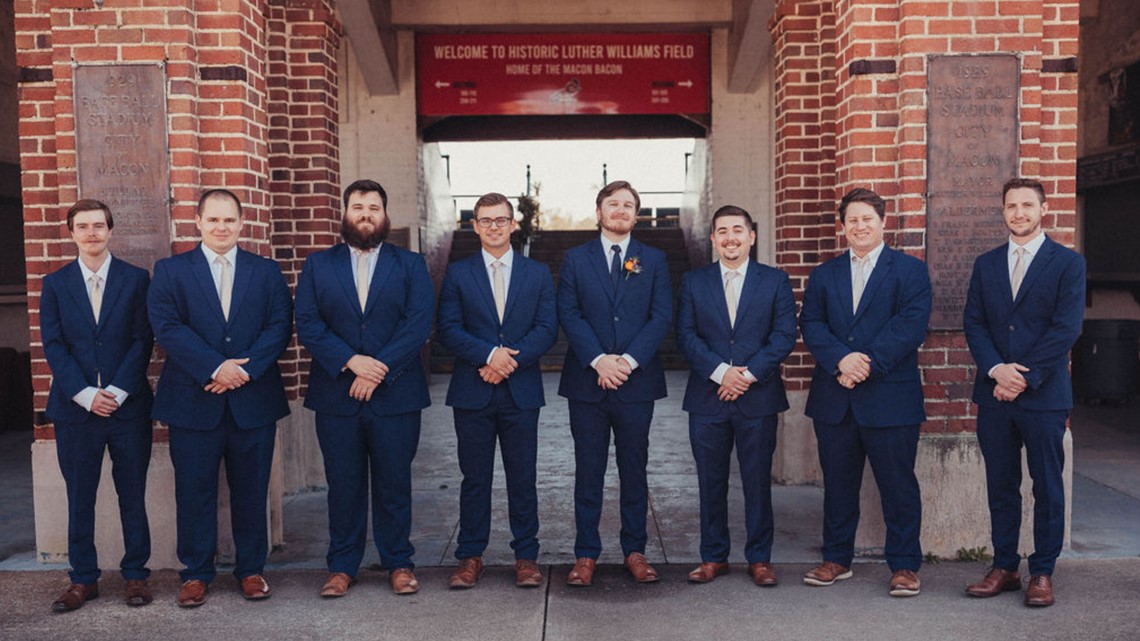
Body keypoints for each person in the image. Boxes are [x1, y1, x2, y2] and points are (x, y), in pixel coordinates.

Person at [148, 189, 293, 607]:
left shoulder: (265, 272)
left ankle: (251, 571)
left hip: (254, 401)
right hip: (193, 402)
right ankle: (195, 574)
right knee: (194, 492)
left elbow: (279, 326)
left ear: (241, 223)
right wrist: (216, 367)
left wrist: (242, 372)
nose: (221, 227)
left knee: (252, 490)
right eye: (213, 220)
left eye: (229, 220)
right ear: (197, 222)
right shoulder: (172, 271)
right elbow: (168, 328)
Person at [294, 179, 434, 598]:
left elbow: (418, 324)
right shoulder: (319, 265)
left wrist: (378, 370)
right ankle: (342, 566)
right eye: (358, 207)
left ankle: (399, 562)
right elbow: (309, 324)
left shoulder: (410, 264)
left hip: (396, 395)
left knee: (394, 483)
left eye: (374, 207)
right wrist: (351, 362)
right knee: (344, 484)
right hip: (337, 394)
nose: (366, 214)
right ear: (345, 213)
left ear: (385, 214)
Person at [799, 187, 932, 597]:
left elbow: (910, 326)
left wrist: (865, 364)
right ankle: (837, 559)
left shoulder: (909, 271)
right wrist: (842, 360)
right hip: (835, 397)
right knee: (838, 485)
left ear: (882, 222)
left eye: (867, 219)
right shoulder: (824, 274)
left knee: (898, 485)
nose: (860, 226)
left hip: (890, 397)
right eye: (852, 220)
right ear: (843, 227)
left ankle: (905, 566)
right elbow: (812, 324)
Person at [962, 177, 1085, 608]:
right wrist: (997, 370)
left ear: (1043, 209)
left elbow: (1065, 328)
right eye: (1011, 206)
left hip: (1044, 395)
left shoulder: (1067, 264)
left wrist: (1023, 378)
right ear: (1003, 211)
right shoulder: (986, 263)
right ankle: (1005, 566)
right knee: (1001, 483)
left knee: (1047, 485)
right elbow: (974, 323)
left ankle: (1044, 570)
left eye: (1027, 205)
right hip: (994, 394)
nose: (1019, 213)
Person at [436, 192, 558, 589]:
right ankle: (470, 556)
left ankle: (526, 557)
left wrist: (510, 362)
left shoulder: (536, 273)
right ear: (474, 226)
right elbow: (449, 328)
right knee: (475, 478)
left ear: (512, 224)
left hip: (520, 392)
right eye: (485, 220)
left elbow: (546, 328)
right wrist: (488, 356)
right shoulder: (458, 273)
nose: (493, 227)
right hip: (473, 390)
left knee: (522, 477)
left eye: (500, 220)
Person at [556, 180, 672, 586]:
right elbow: (569, 313)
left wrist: (627, 361)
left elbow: (660, 316)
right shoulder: (575, 259)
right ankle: (586, 553)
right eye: (613, 204)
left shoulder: (653, 259)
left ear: (636, 215)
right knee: (588, 470)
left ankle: (634, 550)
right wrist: (599, 361)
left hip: (637, 383)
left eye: (628, 205)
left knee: (634, 469)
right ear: (599, 212)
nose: (620, 210)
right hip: (587, 383)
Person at [41, 200, 155, 612]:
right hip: (75, 411)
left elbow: (144, 339)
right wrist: (87, 394)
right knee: (80, 496)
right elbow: (54, 345)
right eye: (82, 226)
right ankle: (83, 579)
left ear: (110, 230)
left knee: (132, 494)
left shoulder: (136, 279)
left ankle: (137, 575)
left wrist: (119, 390)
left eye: (98, 226)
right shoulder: (54, 284)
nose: (91, 233)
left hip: (128, 408)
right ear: (71, 232)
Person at [676, 205, 796, 586]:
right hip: (707, 398)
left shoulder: (774, 281)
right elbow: (686, 335)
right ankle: (713, 556)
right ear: (713, 238)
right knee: (711, 481)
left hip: (757, 397)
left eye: (737, 230)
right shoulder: (695, 282)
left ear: (751, 236)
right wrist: (720, 372)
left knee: (757, 479)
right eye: (722, 231)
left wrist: (746, 374)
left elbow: (783, 336)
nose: (730, 237)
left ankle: (760, 558)